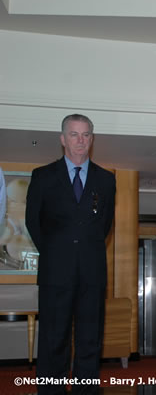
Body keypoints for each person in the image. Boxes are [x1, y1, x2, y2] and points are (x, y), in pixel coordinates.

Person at [25, 114, 116, 395]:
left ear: (92, 139)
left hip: (92, 272)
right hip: (55, 272)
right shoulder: (43, 176)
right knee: (54, 339)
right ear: (63, 139)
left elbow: (105, 225)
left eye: (86, 134)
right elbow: (33, 222)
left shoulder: (106, 179)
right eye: (74, 134)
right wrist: (57, 252)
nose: (81, 140)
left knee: (90, 339)